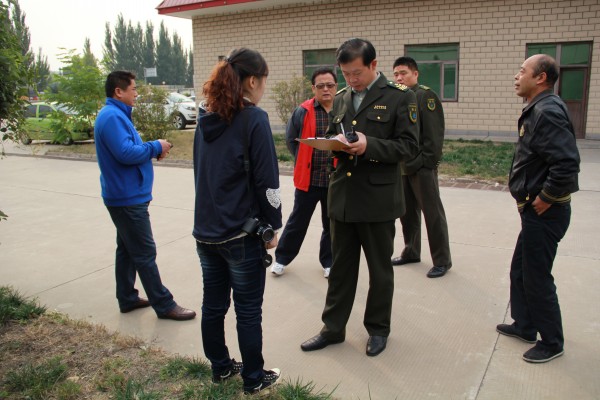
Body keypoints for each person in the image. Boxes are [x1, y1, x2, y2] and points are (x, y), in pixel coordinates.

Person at [300, 38, 419, 357]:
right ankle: (332, 328)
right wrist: (332, 142)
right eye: (345, 74)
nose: (351, 80)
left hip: (378, 200)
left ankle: (378, 329)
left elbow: (409, 147)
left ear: (373, 65)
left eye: (356, 73)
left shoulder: (399, 97)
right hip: (343, 197)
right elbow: (335, 133)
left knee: (380, 271)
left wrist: (370, 145)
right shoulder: (341, 98)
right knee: (340, 268)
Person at [193, 48, 282, 394]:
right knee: (247, 311)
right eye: (264, 82)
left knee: (213, 305)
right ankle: (254, 378)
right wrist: (272, 226)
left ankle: (220, 368)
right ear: (253, 81)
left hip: (206, 231)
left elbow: (202, 173)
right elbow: (268, 181)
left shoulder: (206, 117)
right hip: (241, 235)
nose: (263, 89)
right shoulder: (253, 119)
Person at [496, 54, 580, 363]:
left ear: (540, 78)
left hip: (546, 212)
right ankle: (525, 325)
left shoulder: (547, 111)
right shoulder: (539, 107)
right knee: (521, 269)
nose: (516, 76)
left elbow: (567, 163)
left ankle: (552, 342)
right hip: (534, 211)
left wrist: (545, 197)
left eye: (522, 71)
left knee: (537, 277)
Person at [95, 70, 196, 321]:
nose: (137, 93)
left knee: (127, 250)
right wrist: (155, 146)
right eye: (133, 89)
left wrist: (151, 149)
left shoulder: (116, 115)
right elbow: (125, 153)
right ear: (119, 91)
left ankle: (127, 298)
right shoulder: (111, 117)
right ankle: (164, 305)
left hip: (126, 196)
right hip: (127, 199)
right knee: (144, 253)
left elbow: (128, 150)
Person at [270, 67, 337, 278]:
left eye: (330, 85)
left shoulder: (343, 110)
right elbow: (292, 140)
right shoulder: (303, 111)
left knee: (331, 224)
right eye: (320, 86)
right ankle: (281, 259)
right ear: (313, 88)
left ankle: (329, 262)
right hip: (309, 179)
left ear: (336, 87)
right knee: (298, 222)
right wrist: (303, 159)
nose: (325, 89)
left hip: (335, 180)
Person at [390, 57, 452, 278]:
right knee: (407, 214)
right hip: (403, 166)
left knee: (432, 214)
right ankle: (411, 251)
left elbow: (434, 136)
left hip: (422, 167)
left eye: (403, 73)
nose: (399, 78)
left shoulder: (425, 96)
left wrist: (426, 164)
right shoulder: (397, 98)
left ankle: (442, 260)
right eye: (396, 74)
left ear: (415, 74)